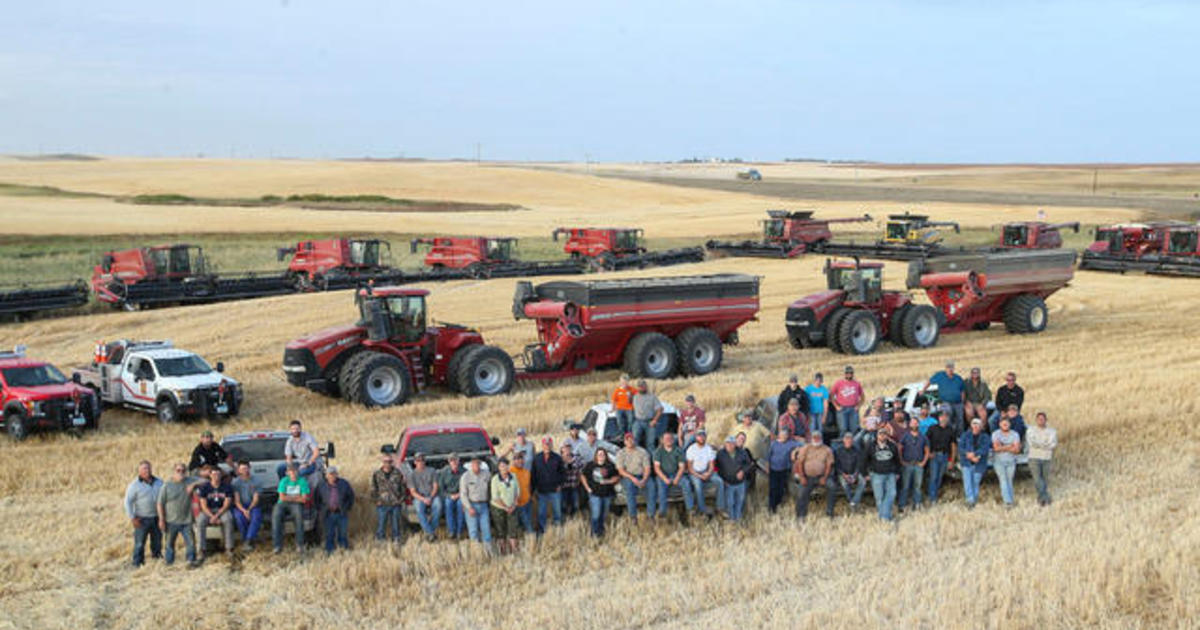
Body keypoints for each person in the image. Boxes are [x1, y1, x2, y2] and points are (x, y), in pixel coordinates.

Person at [157, 462, 200, 567]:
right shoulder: (166, 486)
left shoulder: (190, 481)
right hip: (171, 521)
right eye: (178, 470)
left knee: (190, 543)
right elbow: (160, 504)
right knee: (169, 544)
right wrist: (161, 519)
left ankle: (190, 561)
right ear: (174, 472)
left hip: (187, 520)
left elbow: (206, 481)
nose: (181, 472)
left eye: (183, 471)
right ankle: (169, 562)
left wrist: (194, 485)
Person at [125, 460, 164, 567]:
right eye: (144, 468)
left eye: (148, 468)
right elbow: (128, 502)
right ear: (139, 471)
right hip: (142, 519)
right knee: (139, 543)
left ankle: (157, 559)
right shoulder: (134, 485)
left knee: (157, 541)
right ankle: (137, 563)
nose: (146, 470)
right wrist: (132, 518)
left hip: (157, 517)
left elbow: (164, 498)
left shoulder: (159, 482)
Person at [195, 466, 235, 560]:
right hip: (208, 510)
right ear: (210, 475)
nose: (216, 476)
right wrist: (212, 516)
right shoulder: (204, 487)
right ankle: (201, 550)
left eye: (218, 474)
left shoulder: (227, 487)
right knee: (200, 520)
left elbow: (226, 504)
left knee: (228, 519)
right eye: (214, 474)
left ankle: (229, 549)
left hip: (222, 510)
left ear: (221, 475)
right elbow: (203, 505)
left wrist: (216, 516)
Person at [792, 432, 834, 520]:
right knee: (801, 493)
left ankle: (830, 513)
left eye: (818, 437)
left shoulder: (827, 450)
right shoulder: (806, 448)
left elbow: (829, 465)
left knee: (832, 486)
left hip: (821, 476)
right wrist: (802, 477)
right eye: (814, 437)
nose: (816, 439)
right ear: (811, 438)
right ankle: (800, 515)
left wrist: (825, 477)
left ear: (821, 439)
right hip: (808, 476)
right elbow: (800, 462)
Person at [615, 432, 654, 523]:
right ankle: (633, 516)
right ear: (624, 442)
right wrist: (633, 478)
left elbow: (647, 468)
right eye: (627, 439)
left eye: (631, 439)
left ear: (634, 440)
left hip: (642, 475)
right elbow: (621, 471)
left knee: (652, 487)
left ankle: (650, 515)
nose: (630, 441)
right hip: (628, 476)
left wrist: (644, 479)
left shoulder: (642, 451)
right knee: (629, 489)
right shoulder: (621, 453)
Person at [314, 466, 354, 554]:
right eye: (330, 474)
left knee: (343, 533)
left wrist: (347, 507)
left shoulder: (344, 484)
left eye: (334, 474)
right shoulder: (321, 485)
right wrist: (321, 509)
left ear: (337, 475)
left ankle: (343, 549)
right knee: (329, 534)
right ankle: (329, 551)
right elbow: (316, 499)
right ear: (326, 475)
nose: (332, 476)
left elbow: (351, 496)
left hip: (341, 513)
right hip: (328, 514)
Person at [271, 463, 310, 554]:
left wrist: (290, 497)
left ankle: (300, 544)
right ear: (287, 472)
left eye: (294, 471)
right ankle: (277, 546)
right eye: (290, 471)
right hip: (282, 504)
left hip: (296, 505)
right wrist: (296, 497)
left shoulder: (302, 481)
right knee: (276, 517)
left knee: (299, 518)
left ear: (298, 472)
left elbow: (304, 499)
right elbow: (282, 498)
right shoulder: (284, 481)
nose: (292, 473)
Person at [864, 429, 901, 521]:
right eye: (880, 434)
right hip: (876, 474)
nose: (882, 436)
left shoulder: (892, 446)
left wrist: (897, 472)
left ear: (887, 435)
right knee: (879, 497)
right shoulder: (870, 446)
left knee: (892, 494)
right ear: (877, 435)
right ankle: (885, 518)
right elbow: (864, 460)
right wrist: (865, 474)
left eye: (884, 434)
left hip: (890, 474)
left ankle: (884, 516)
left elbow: (897, 460)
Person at [581, 449, 619, 537]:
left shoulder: (610, 466)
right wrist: (587, 488)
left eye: (603, 454)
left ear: (605, 456)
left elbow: (617, 477)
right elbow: (582, 476)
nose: (601, 456)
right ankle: (594, 534)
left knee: (604, 514)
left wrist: (608, 481)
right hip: (594, 494)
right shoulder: (590, 465)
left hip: (607, 494)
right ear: (596, 455)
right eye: (599, 454)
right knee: (596, 514)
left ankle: (601, 532)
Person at [530, 438, 565, 532]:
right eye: (545, 444)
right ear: (542, 445)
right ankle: (542, 529)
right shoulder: (537, 458)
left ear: (552, 445)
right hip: (542, 491)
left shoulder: (557, 458)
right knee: (542, 512)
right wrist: (533, 490)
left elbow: (563, 473)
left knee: (557, 511)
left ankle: (558, 529)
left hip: (555, 490)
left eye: (549, 444)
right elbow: (533, 475)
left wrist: (560, 485)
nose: (547, 446)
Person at [684, 430, 720, 519]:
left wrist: (708, 473)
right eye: (699, 436)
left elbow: (712, 465)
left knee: (719, 481)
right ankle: (702, 509)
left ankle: (720, 506)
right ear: (696, 438)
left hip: (706, 471)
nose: (701, 438)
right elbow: (690, 468)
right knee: (698, 485)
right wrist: (700, 476)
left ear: (706, 437)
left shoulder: (709, 449)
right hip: (694, 473)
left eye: (703, 436)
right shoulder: (691, 449)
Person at [715, 436, 752, 522]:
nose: (730, 445)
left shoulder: (742, 452)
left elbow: (748, 464)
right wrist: (722, 480)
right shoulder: (720, 454)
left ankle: (738, 519)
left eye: (732, 444)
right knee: (730, 503)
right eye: (728, 443)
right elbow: (716, 468)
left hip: (740, 483)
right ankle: (731, 521)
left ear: (735, 444)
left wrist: (743, 471)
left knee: (739, 502)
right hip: (728, 483)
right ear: (725, 444)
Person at [897, 417, 930, 512]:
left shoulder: (923, 437)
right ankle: (902, 505)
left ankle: (917, 504)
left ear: (918, 425)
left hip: (918, 465)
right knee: (905, 486)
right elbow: (899, 448)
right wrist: (901, 460)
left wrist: (924, 462)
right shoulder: (905, 436)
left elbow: (927, 450)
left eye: (916, 423)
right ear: (909, 425)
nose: (914, 425)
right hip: (907, 465)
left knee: (917, 486)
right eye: (912, 423)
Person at [766, 427, 802, 513]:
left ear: (787, 436)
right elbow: (768, 457)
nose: (784, 436)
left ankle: (778, 505)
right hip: (773, 469)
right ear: (779, 435)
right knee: (773, 488)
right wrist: (767, 468)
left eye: (785, 435)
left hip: (784, 470)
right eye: (782, 435)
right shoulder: (773, 444)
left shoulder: (790, 443)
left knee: (781, 489)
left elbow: (802, 445)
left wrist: (796, 450)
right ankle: (771, 507)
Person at [371, 454, 406, 542]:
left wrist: (400, 500)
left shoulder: (397, 473)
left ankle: (396, 540)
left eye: (390, 462)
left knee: (396, 524)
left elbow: (403, 487)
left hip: (395, 503)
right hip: (382, 504)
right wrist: (376, 501)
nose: (388, 464)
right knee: (381, 524)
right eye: (386, 462)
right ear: (382, 462)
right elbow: (373, 489)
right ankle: (380, 540)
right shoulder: (377, 474)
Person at [923, 361, 966, 434]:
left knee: (960, 420)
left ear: (954, 368)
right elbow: (930, 381)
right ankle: (949, 434)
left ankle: (960, 435)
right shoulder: (940, 376)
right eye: (948, 367)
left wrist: (962, 402)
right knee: (947, 416)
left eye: (951, 367)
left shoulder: (958, 378)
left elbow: (962, 391)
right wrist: (923, 390)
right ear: (945, 368)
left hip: (958, 403)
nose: (950, 369)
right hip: (945, 402)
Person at [829, 433, 866, 515]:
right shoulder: (838, 451)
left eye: (850, 439)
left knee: (863, 481)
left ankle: (854, 501)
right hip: (843, 473)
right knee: (844, 484)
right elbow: (836, 465)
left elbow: (859, 464)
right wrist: (843, 474)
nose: (848, 441)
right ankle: (851, 501)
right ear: (843, 440)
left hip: (854, 472)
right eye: (847, 439)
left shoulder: (857, 450)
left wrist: (855, 474)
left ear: (852, 441)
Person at [652, 432, 687, 518]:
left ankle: (690, 508)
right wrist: (664, 479)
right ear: (662, 441)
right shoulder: (658, 451)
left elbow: (682, 467)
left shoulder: (678, 450)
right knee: (661, 487)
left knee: (686, 484)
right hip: (663, 475)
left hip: (676, 473)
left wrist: (677, 478)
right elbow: (657, 468)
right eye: (666, 439)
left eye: (670, 438)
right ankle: (662, 511)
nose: (668, 440)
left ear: (673, 440)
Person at [958, 419, 992, 507]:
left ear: (981, 426)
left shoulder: (985, 436)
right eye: (974, 424)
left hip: (979, 462)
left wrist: (975, 455)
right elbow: (960, 447)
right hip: (966, 462)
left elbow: (985, 448)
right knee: (967, 482)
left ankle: (974, 499)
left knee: (975, 482)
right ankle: (970, 500)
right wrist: (968, 454)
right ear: (971, 425)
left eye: (978, 424)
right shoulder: (965, 435)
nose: (976, 426)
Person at [407, 453, 441, 541]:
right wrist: (423, 499)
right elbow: (413, 492)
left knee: (438, 506)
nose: (420, 462)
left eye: (422, 460)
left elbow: (435, 486)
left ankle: (430, 531)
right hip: (419, 497)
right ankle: (430, 532)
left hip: (432, 495)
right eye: (418, 460)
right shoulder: (412, 475)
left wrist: (430, 497)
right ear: (414, 462)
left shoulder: (432, 471)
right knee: (419, 509)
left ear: (425, 461)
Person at [925, 411, 957, 504]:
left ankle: (933, 495)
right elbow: (925, 442)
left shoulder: (950, 430)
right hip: (934, 455)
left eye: (946, 416)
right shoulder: (932, 428)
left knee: (939, 477)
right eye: (942, 416)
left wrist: (952, 460)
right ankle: (932, 499)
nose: (944, 418)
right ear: (938, 418)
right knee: (933, 477)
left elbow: (953, 446)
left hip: (945, 456)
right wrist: (928, 453)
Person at [1027, 412, 1058, 506]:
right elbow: (1032, 443)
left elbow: (1053, 444)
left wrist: (1040, 444)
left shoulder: (1052, 431)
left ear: (1046, 420)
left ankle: (1041, 498)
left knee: (1044, 479)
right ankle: (1046, 498)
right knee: (1037, 479)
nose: (1041, 420)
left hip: (1046, 457)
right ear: (1036, 420)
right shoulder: (1031, 430)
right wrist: (1045, 444)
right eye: (1039, 419)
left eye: (1042, 419)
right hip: (1034, 457)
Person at [489, 458, 521, 553]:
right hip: (498, 508)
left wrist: (514, 505)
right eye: (502, 466)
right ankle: (502, 551)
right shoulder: (495, 479)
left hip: (512, 507)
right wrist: (506, 507)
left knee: (513, 530)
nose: (504, 468)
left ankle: (514, 551)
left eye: (506, 465)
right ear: (499, 467)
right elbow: (495, 497)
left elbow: (517, 492)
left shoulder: (513, 476)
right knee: (500, 530)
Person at [231, 461, 262, 551]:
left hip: (252, 505)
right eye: (242, 468)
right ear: (238, 470)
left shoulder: (256, 481)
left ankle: (249, 540)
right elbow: (236, 500)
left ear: (249, 468)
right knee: (239, 517)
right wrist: (244, 511)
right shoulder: (235, 482)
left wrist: (249, 509)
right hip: (240, 505)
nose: (244, 470)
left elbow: (256, 499)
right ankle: (245, 539)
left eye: (246, 468)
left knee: (256, 516)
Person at [460, 457, 492, 545]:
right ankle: (476, 552)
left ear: (480, 464)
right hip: (471, 505)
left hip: (484, 505)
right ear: (471, 464)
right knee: (473, 531)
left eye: (478, 463)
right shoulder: (465, 476)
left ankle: (488, 553)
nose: (476, 465)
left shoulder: (487, 474)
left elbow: (490, 488)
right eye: (474, 463)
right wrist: (469, 507)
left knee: (486, 530)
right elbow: (463, 494)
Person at [991, 416, 1021, 507]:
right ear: (1000, 424)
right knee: (1003, 479)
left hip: (1011, 461)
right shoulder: (995, 434)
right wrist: (1009, 446)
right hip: (999, 461)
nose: (1005, 425)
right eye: (1003, 423)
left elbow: (1016, 450)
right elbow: (996, 448)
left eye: (1007, 423)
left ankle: (1010, 499)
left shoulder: (1015, 434)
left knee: (1009, 480)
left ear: (1009, 424)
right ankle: (1007, 501)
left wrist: (1002, 447)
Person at [438, 454, 467, 539]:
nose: (453, 462)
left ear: (458, 461)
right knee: (448, 504)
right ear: (448, 461)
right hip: (449, 495)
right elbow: (441, 489)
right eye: (451, 460)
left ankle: (459, 531)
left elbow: (467, 487)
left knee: (460, 505)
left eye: (455, 460)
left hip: (461, 495)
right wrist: (449, 496)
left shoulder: (464, 472)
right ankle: (451, 531)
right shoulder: (444, 472)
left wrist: (459, 495)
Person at [831, 365, 866, 435]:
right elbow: (831, 396)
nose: (849, 374)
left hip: (853, 409)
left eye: (851, 373)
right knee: (843, 429)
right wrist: (836, 406)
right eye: (847, 373)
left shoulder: (857, 383)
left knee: (854, 429)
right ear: (844, 374)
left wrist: (858, 406)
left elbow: (862, 397)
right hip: (842, 409)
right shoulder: (838, 383)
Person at [632, 379, 664, 450]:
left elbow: (660, 409)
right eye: (639, 386)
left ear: (646, 387)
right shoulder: (635, 397)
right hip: (638, 421)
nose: (641, 388)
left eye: (642, 386)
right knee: (634, 442)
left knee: (650, 444)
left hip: (649, 422)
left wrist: (655, 420)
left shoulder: (652, 397)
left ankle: (652, 460)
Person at [510, 451, 534, 534]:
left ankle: (528, 539)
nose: (520, 462)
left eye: (521, 459)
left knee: (527, 522)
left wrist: (530, 497)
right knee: (527, 524)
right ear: (514, 461)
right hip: (518, 504)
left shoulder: (527, 472)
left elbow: (529, 486)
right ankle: (532, 539)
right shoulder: (510, 472)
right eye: (517, 460)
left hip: (527, 502)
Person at [560, 445, 583, 518]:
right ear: (562, 452)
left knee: (575, 504)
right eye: (565, 450)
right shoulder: (559, 460)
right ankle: (564, 518)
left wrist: (579, 482)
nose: (567, 451)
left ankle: (572, 518)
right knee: (563, 505)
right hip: (564, 486)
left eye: (568, 449)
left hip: (574, 486)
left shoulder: (577, 459)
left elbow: (580, 472)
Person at [805, 373, 830, 438]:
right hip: (811, 412)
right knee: (812, 429)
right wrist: (806, 414)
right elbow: (804, 401)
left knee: (820, 430)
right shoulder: (808, 389)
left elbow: (825, 403)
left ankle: (820, 445)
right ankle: (811, 444)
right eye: (817, 380)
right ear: (814, 380)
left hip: (820, 413)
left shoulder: (824, 389)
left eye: (820, 381)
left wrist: (824, 416)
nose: (818, 382)